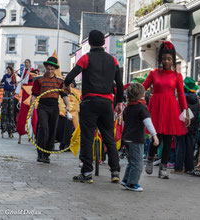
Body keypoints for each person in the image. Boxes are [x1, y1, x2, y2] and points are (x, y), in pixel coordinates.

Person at [64, 30, 123, 183]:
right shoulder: (113, 60)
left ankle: (86, 173)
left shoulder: (86, 58)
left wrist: (66, 86)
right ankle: (115, 171)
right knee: (109, 137)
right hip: (106, 103)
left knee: (87, 137)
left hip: (90, 102)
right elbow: (120, 84)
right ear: (103, 42)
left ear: (89, 42)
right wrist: (119, 102)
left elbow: (70, 76)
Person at [143, 41, 190, 179]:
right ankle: (150, 158)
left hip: (171, 108)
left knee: (169, 139)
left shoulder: (177, 76)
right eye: (163, 59)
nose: (166, 62)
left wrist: (186, 110)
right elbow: (143, 87)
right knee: (156, 137)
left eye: (169, 59)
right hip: (156, 107)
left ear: (173, 60)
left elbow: (181, 94)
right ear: (160, 59)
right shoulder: (153, 73)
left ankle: (163, 168)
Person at [30, 57, 70, 163]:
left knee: (52, 131)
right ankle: (40, 153)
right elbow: (34, 95)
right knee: (43, 128)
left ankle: (47, 154)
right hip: (43, 106)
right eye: (48, 69)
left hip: (54, 107)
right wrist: (31, 107)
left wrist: (67, 105)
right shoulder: (39, 80)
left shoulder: (60, 81)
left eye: (52, 69)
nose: (50, 71)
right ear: (45, 68)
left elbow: (64, 95)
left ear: (55, 69)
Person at [121, 83, 159, 192]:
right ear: (141, 94)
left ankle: (126, 179)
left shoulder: (127, 107)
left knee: (131, 162)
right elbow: (148, 123)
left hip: (127, 138)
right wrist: (154, 136)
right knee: (137, 163)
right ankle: (132, 184)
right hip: (136, 139)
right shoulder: (141, 108)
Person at [172, 77, 199, 174]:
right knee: (189, 147)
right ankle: (189, 167)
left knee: (180, 146)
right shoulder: (196, 99)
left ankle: (178, 167)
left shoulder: (181, 99)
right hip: (192, 126)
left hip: (181, 125)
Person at [16, 59, 36, 144]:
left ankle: (35, 133)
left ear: (30, 63)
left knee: (33, 111)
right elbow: (23, 79)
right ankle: (21, 132)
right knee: (23, 111)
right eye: (25, 63)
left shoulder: (32, 70)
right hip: (25, 90)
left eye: (27, 62)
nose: (26, 64)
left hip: (30, 90)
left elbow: (35, 77)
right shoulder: (24, 70)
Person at [0, 66, 17, 138]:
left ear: (11, 70)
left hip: (11, 94)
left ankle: (11, 131)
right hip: (5, 93)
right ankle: (3, 130)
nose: (8, 71)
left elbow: (16, 84)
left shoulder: (13, 76)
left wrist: (17, 85)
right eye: (7, 70)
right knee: (4, 111)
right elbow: (1, 82)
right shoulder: (5, 76)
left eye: (9, 70)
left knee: (11, 111)